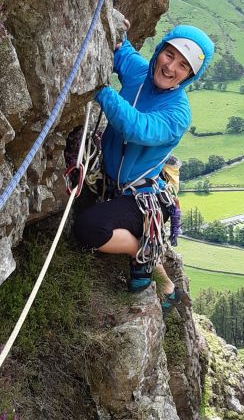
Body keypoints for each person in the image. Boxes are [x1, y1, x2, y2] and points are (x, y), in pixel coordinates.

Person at [73, 20, 214, 316]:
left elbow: (137, 129)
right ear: (159, 51)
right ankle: (154, 265)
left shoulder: (177, 113)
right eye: (169, 54)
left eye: (183, 66)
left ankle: (141, 252)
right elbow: (120, 50)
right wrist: (115, 26)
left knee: (86, 230)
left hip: (140, 198)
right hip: (110, 182)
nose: (171, 67)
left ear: (189, 76)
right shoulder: (141, 72)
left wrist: (101, 89)